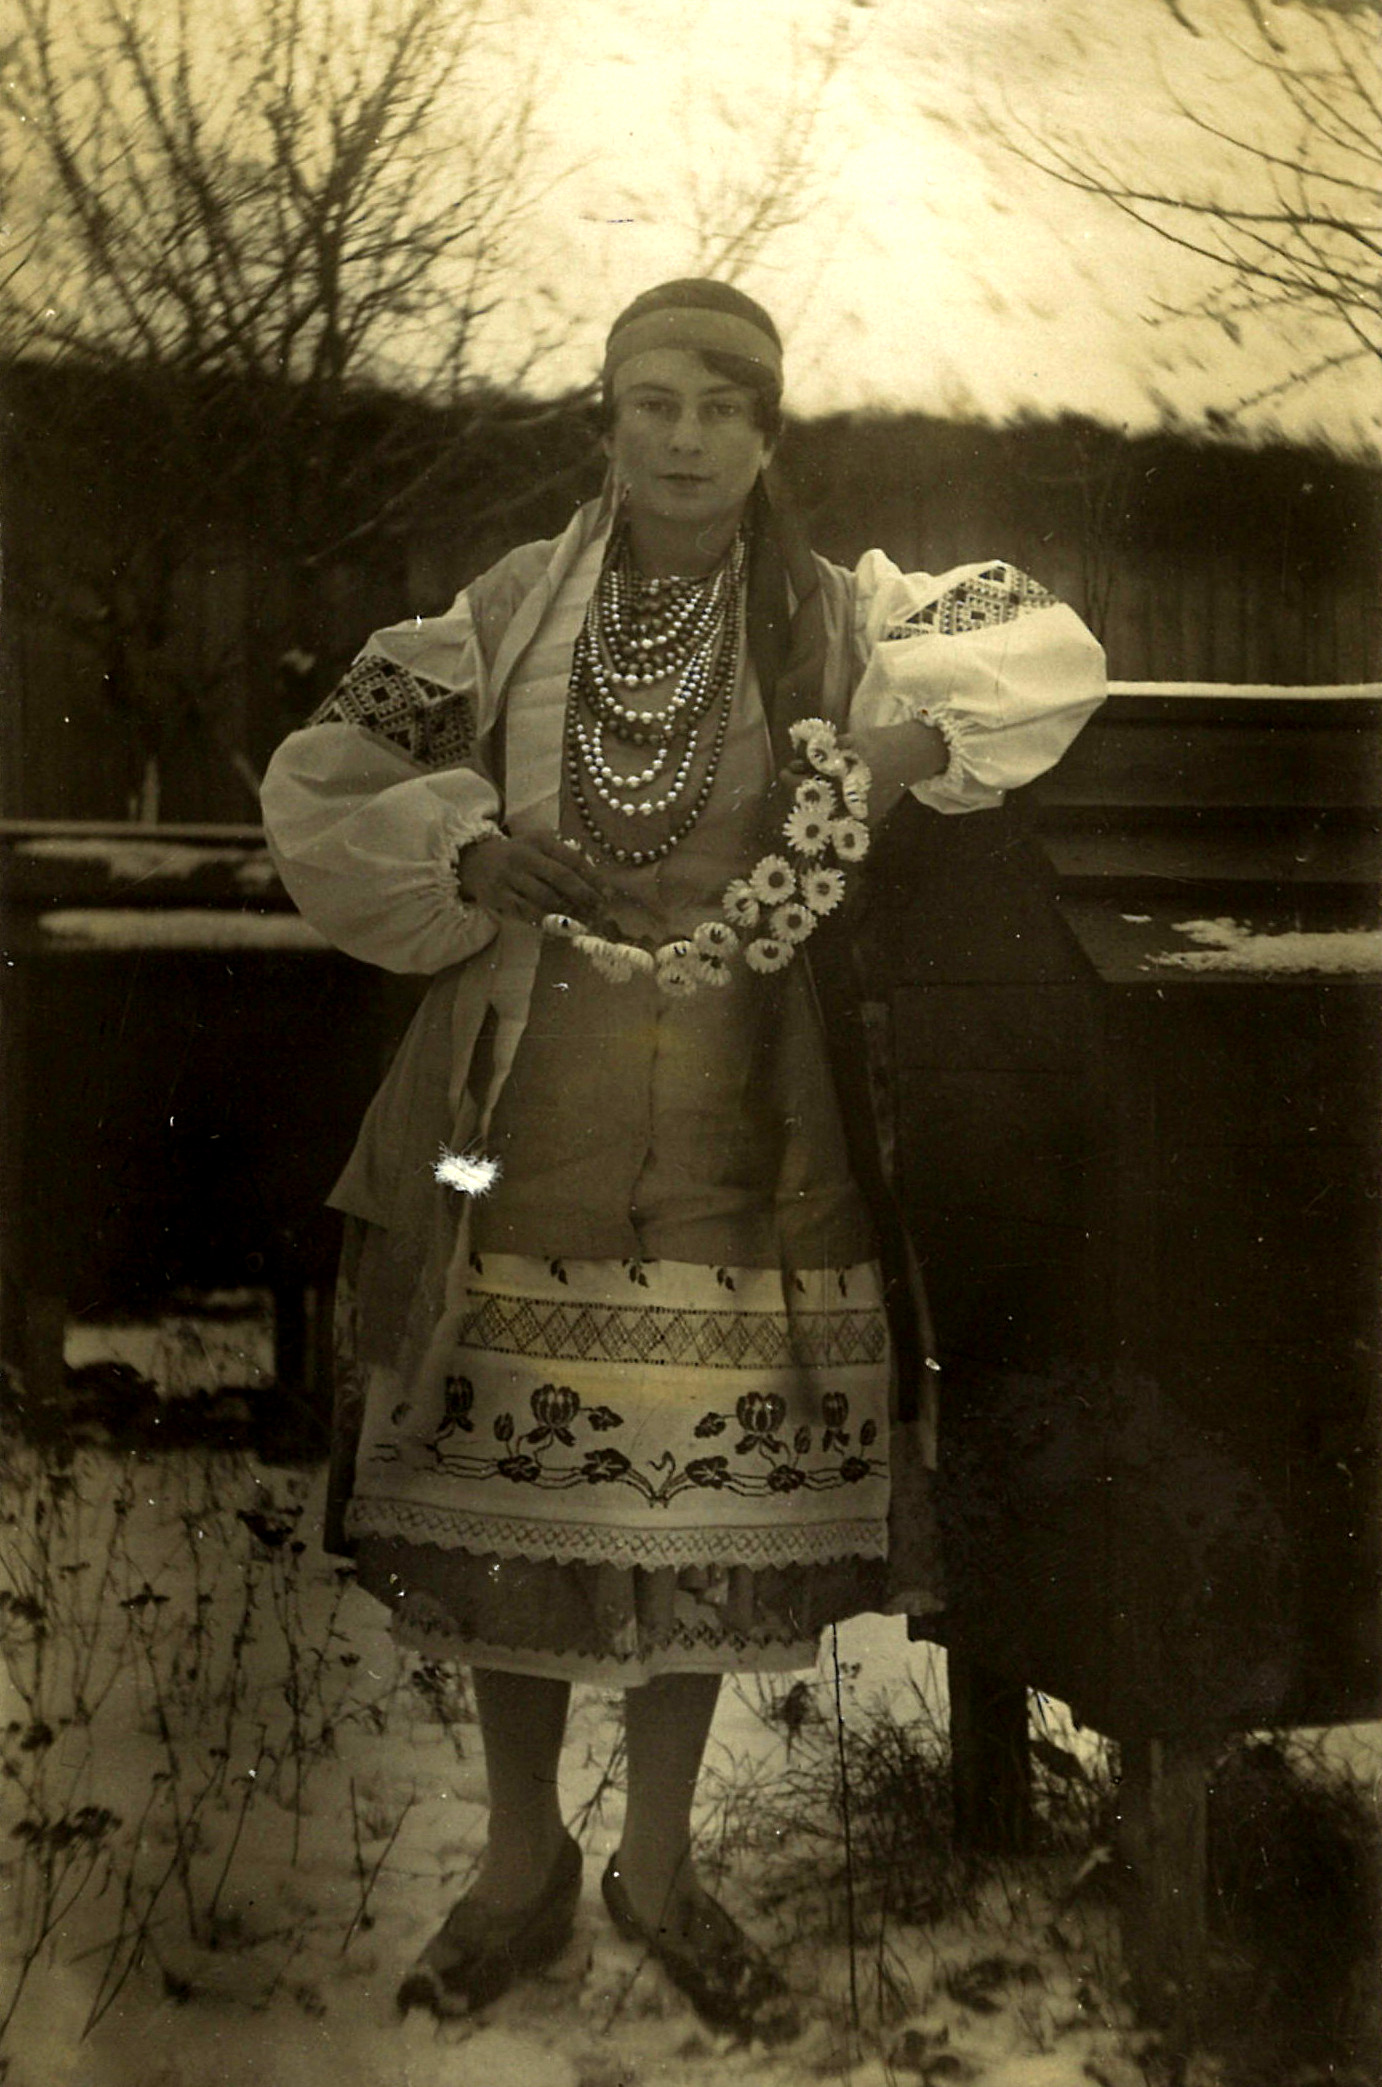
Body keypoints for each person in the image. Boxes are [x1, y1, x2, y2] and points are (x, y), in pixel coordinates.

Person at [260, 278, 1105, 2042]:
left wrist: (900, 741)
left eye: (725, 407)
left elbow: (1042, 645)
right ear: (604, 422)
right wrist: (468, 852)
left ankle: (657, 1865)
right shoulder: (506, 608)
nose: (687, 438)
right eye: (653, 402)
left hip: (747, 1120)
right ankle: (518, 1865)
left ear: (769, 434)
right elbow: (331, 765)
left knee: (696, 1508)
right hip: (516, 1112)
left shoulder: (832, 611)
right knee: (512, 1497)